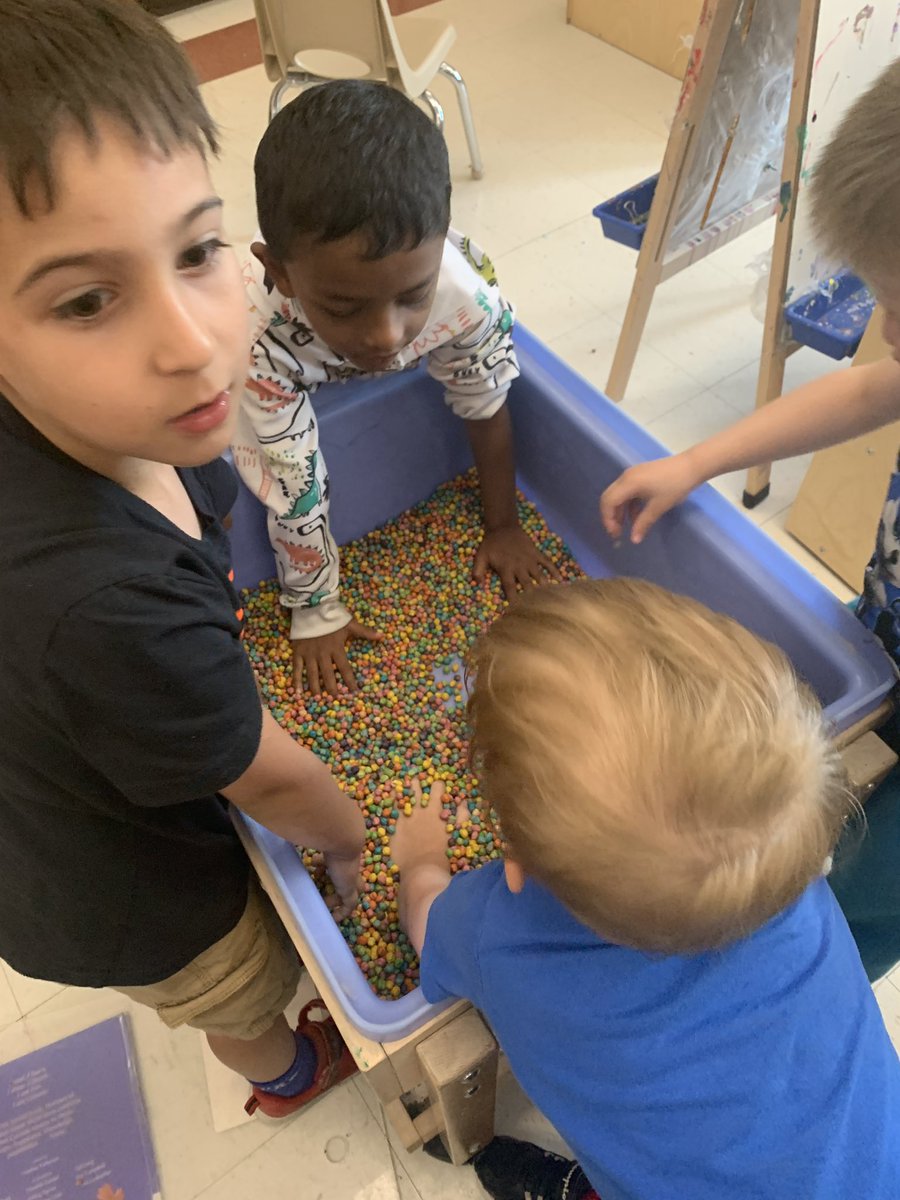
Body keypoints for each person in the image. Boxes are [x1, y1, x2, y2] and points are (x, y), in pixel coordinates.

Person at [0, 0, 366, 1120]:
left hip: (60, 742)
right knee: (239, 995)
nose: (193, 339)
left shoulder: (143, 430)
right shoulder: (109, 605)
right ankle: (289, 1076)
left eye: (200, 249)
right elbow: (276, 781)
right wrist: (356, 848)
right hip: (127, 896)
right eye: (88, 298)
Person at [392, 579, 900, 1200]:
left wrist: (419, 862)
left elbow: (426, 921)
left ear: (516, 862)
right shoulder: (790, 873)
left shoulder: (496, 934)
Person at [600, 58, 900, 982]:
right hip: (885, 631)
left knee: (864, 898)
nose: (888, 330)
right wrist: (698, 460)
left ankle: (813, 979)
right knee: (828, 784)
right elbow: (869, 392)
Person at [233, 80, 561, 697]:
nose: (387, 336)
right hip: (284, 356)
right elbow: (289, 481)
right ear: (281, 272)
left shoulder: (463, 298)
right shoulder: (257, 333)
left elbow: (486, 402)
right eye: (345, 305)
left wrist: (503, 525)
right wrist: (315, 609)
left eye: (413, 295)